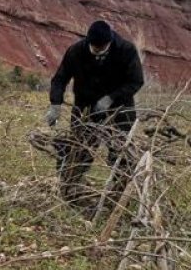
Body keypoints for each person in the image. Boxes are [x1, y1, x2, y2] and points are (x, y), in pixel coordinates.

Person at [46, 20, 145, 211]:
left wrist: (111, 98)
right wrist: (55, 104)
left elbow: (136, 81)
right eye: (94, 47)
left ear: (110, 42)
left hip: (119, 110)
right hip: (85, 109)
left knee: (120, 153)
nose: (97, 51)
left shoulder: (126, 50)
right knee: (79, 149)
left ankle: (119, 197)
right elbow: (60, 78)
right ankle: (70, 189)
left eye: (101, 48)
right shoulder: (76, 51)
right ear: (88, 41)